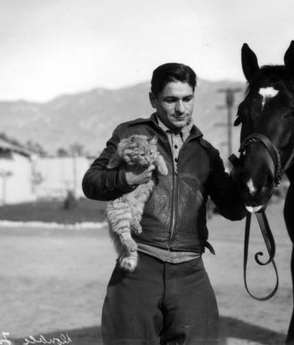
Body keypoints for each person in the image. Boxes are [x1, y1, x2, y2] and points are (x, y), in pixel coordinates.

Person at [82, 62, 246, 345]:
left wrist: (250, 184)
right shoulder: (129, 134)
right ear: (153, 99)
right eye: (171, 100)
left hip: (190, 273)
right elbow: (91, 182)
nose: (181, 108)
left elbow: (233, 210)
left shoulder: (207, 153)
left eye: (187, 98)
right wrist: (127, 178)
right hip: (139, 268)